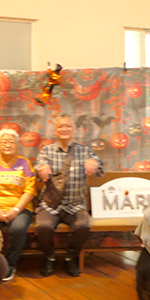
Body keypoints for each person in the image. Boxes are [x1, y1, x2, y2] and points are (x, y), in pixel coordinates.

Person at [35, 114, 103, 277]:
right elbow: (38, 171)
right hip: (50, 204)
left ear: (74, 130)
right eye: (60, 126)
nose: (64, 129)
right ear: (55, 131)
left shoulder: (85, 151)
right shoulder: (46, 151)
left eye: (68, 126)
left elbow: (100, 171)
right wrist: (41, 170)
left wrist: (95, 164)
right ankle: (49, 257)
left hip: (76, 204)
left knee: (83, 225)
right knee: (43, 226)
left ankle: (70, 257)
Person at [0, 128, 37, 281]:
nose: (8, 145)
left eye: (12, 142)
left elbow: (30, 191)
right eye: (4, 142)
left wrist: (16, 210)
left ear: (17, 145)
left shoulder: (25, 163)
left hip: (21, 208)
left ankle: (10, 264)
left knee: (18, 228)